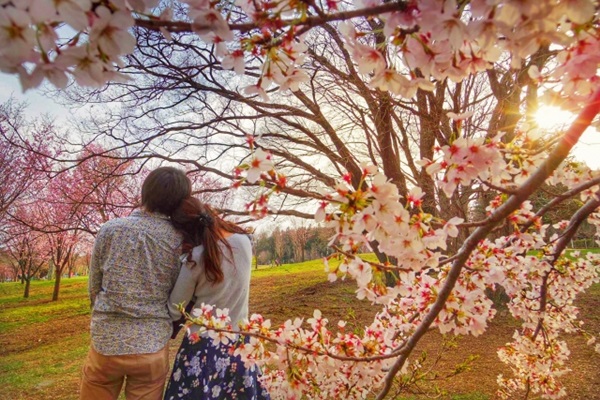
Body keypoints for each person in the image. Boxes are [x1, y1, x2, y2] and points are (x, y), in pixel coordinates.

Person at [80, 166, 192, 400]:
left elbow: (94, 287)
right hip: (151, 345)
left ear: (145, 192)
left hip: (106, 341)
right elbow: (179, 293)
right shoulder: (180, 240)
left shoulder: (109, 230)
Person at [164, 197, 270, 400]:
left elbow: (174, 309)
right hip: (240, 342)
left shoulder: (195, 258)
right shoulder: (245, 241)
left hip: (202, 349)